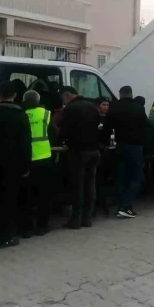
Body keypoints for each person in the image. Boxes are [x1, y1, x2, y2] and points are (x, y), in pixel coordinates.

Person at [0, 81, 31, 248]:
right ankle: (4, 237)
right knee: (8, 200)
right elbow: (25, 143)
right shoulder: (19, 113)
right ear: (15, 95)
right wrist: (26, 166)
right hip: (12, 164)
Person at [59, 87, 101, 228]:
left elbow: (64, 131)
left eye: (63, 99)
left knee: (77, 186)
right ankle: (87, 218)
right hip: (94, 151)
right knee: (90, 185)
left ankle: (75, 220)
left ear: (67, 95)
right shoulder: (92, 107)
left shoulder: (71, 109)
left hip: (78, 152)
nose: (63, 102)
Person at [20, 90, 57, 235]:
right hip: (44, 158)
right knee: (44, 195)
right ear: (38, 99)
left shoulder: (21, 112)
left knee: (26, 196)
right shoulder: (45, 113)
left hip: (27, 160)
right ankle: (42, 226)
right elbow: (53, 132)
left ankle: (26, 229)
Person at [108, 86, 147, 218]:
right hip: (135, 146)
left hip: (120, 145)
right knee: (136, 176)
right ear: (131, 94)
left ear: (121, 94)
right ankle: (126, 206)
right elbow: (146, 125)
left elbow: (108, 127)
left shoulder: (114, 107)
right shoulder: (138, 107)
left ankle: (120, 206)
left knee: (121, 177)